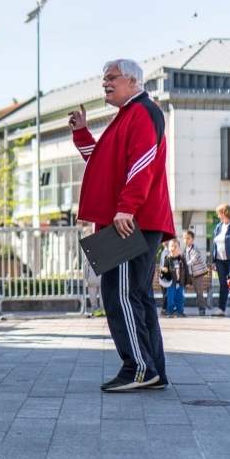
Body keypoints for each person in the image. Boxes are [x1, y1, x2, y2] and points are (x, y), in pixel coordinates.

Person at [68, 58, 174, 391]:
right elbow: (104, 163)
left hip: (130, 220)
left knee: (121, 294)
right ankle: (152, 370)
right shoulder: (129, 114)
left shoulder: (141, 111)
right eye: (104, 79)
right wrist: (81, 134)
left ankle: (138, 368)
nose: (105, 84)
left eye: (111, 78)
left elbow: (143, 162)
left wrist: (126, 208)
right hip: (130, 219)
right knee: (135, 296)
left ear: (132, 80)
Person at [160, 239, 189, 318]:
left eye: (175, 246)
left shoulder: (182, 259)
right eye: (171, 246)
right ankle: (170, 312)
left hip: (181, 282)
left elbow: (186, 270)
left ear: (179, 248)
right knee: (170, 297)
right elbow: (164, 269)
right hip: (171, 282)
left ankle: (180, 311)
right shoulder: (167, 258)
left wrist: (188, 281)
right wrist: (164, 271)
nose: (173, 248)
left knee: (180, 298)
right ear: (169, 248)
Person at [183, 231, 208, 316]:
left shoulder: (195, 249)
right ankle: (179, 307)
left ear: (193, 239)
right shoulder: (184, 250)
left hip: (198, 274)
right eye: (184, 238)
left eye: (188, 238)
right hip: (189, 274)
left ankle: (202, 308)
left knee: (199, 291)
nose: (186, 240)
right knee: (181, 290)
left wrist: (186, 264)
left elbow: (194, 258)